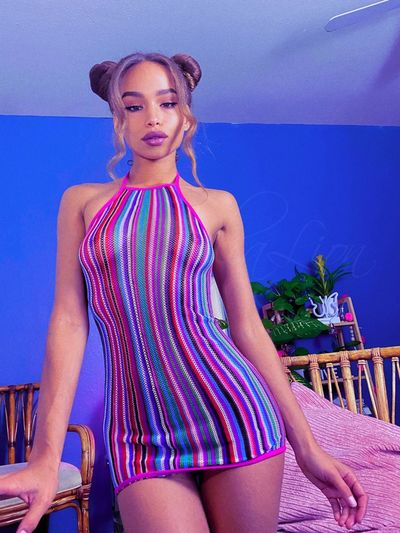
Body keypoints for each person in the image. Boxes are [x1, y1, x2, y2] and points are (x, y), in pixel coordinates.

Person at [0, 51, 368, 533]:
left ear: (186, 115)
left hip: (234, 410)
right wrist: (45, 456)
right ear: (118, 118)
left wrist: (308, 446)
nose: (152, 117)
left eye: (168, 102)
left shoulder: (218, 206)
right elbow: (69, 322)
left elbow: (247, 328)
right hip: (137, 432)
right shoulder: (82, 203)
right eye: (133, 106)